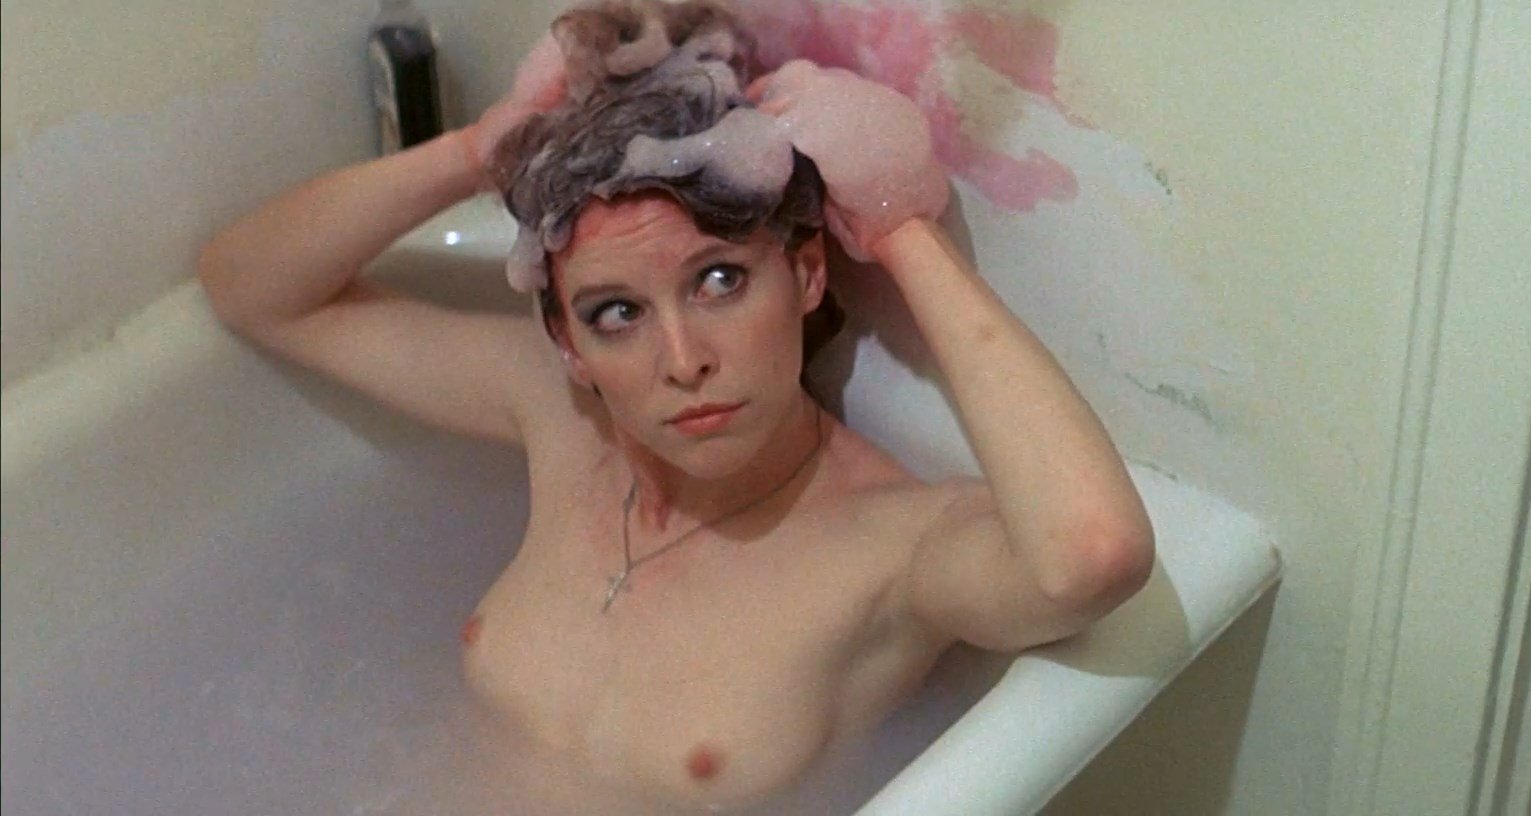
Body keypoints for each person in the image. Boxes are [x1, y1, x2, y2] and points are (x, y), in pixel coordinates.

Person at [197, 2, 1153, 811]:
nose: (683, 361)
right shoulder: (567, 420)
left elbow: (1090, 559)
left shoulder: (889, 545)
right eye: (617, 314)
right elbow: (252, 289)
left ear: (806, 274)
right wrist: (480, 148)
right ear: (568, 344)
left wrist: (899, 226)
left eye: (720, 281)